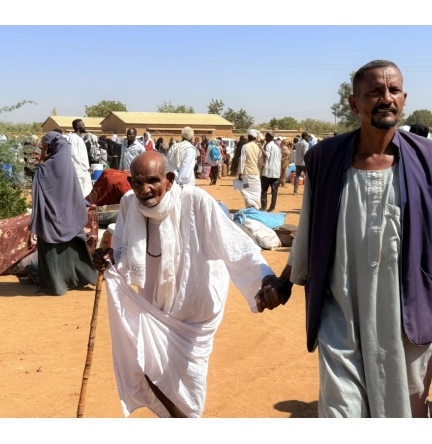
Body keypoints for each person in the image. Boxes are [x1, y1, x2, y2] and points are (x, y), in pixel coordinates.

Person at [255, 59, 432, 418]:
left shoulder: (429, 159)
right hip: (340, 317)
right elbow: (308, 236)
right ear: (354, 103)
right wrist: (284, 283)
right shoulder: (324, 159)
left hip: (407, 322)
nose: (385, 98)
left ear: (404, 99)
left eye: (393, 90)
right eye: (374, 91)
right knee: (341, 413)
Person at [92, 151, 275, 418]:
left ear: (168, 179)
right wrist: (108, 258)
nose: (146, 189)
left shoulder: (195, 201)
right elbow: (121, 248)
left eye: (153, 181)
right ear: (130, 182)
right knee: (145, 364)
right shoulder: (129, 203)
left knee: (186, 381)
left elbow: (236, 246)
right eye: (139, 183)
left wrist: (265, 278)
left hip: (196, 308)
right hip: (156, 305)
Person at [28, 131, 97, 296]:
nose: (43, 149)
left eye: (45, 146)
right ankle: (75, 280)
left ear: (51, 147)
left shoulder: (48, 166)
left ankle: (55, 285)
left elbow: (37, 179)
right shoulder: (66, 163)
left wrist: (42, 157)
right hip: (70, 218)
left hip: (53, 220)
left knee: (51, 252)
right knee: (73, 251)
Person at [237, 130, 263, 209]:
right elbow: (260, 161)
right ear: (255, 138)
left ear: (249, 137)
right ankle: (255, 207)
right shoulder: (258, 147)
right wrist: (259, 170)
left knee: (244, 190)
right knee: (256, 192)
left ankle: (250, 206)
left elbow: (242, 160)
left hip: (246, 173)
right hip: (255, 173)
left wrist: (240, 173)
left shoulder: (245, 146)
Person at [69, 119, 93, 197]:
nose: (84, 126)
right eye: (83, 125)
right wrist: (86, 167)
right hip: (79, 169)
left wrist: (86, 168)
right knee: (79, 191)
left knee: (86, 190)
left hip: (84, 170)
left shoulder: (80, 138)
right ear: (78, 126)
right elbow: (73, 155)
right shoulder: (73, 138)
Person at [260, 131, 281, 212]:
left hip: (268, 171)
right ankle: (272, 207)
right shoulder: (277, 147)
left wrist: (260, 147)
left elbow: (266, 155)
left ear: (268, 137)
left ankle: (264, 206)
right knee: (274, 191)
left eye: (266, 136)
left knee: (264, 190)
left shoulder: (269, 145)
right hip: (276, 172)